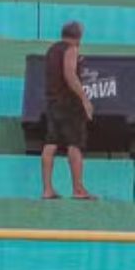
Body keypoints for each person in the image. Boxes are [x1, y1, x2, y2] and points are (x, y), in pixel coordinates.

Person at [39, 20, 95, 201]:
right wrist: (84, 99)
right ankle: (78, 189)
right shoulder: (71, 49)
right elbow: (70, 75)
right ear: (78, 38)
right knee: (74, 144)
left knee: (50, 144)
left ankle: (47, 189)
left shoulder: (51, 50)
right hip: (69, 104)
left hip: (52, 102)